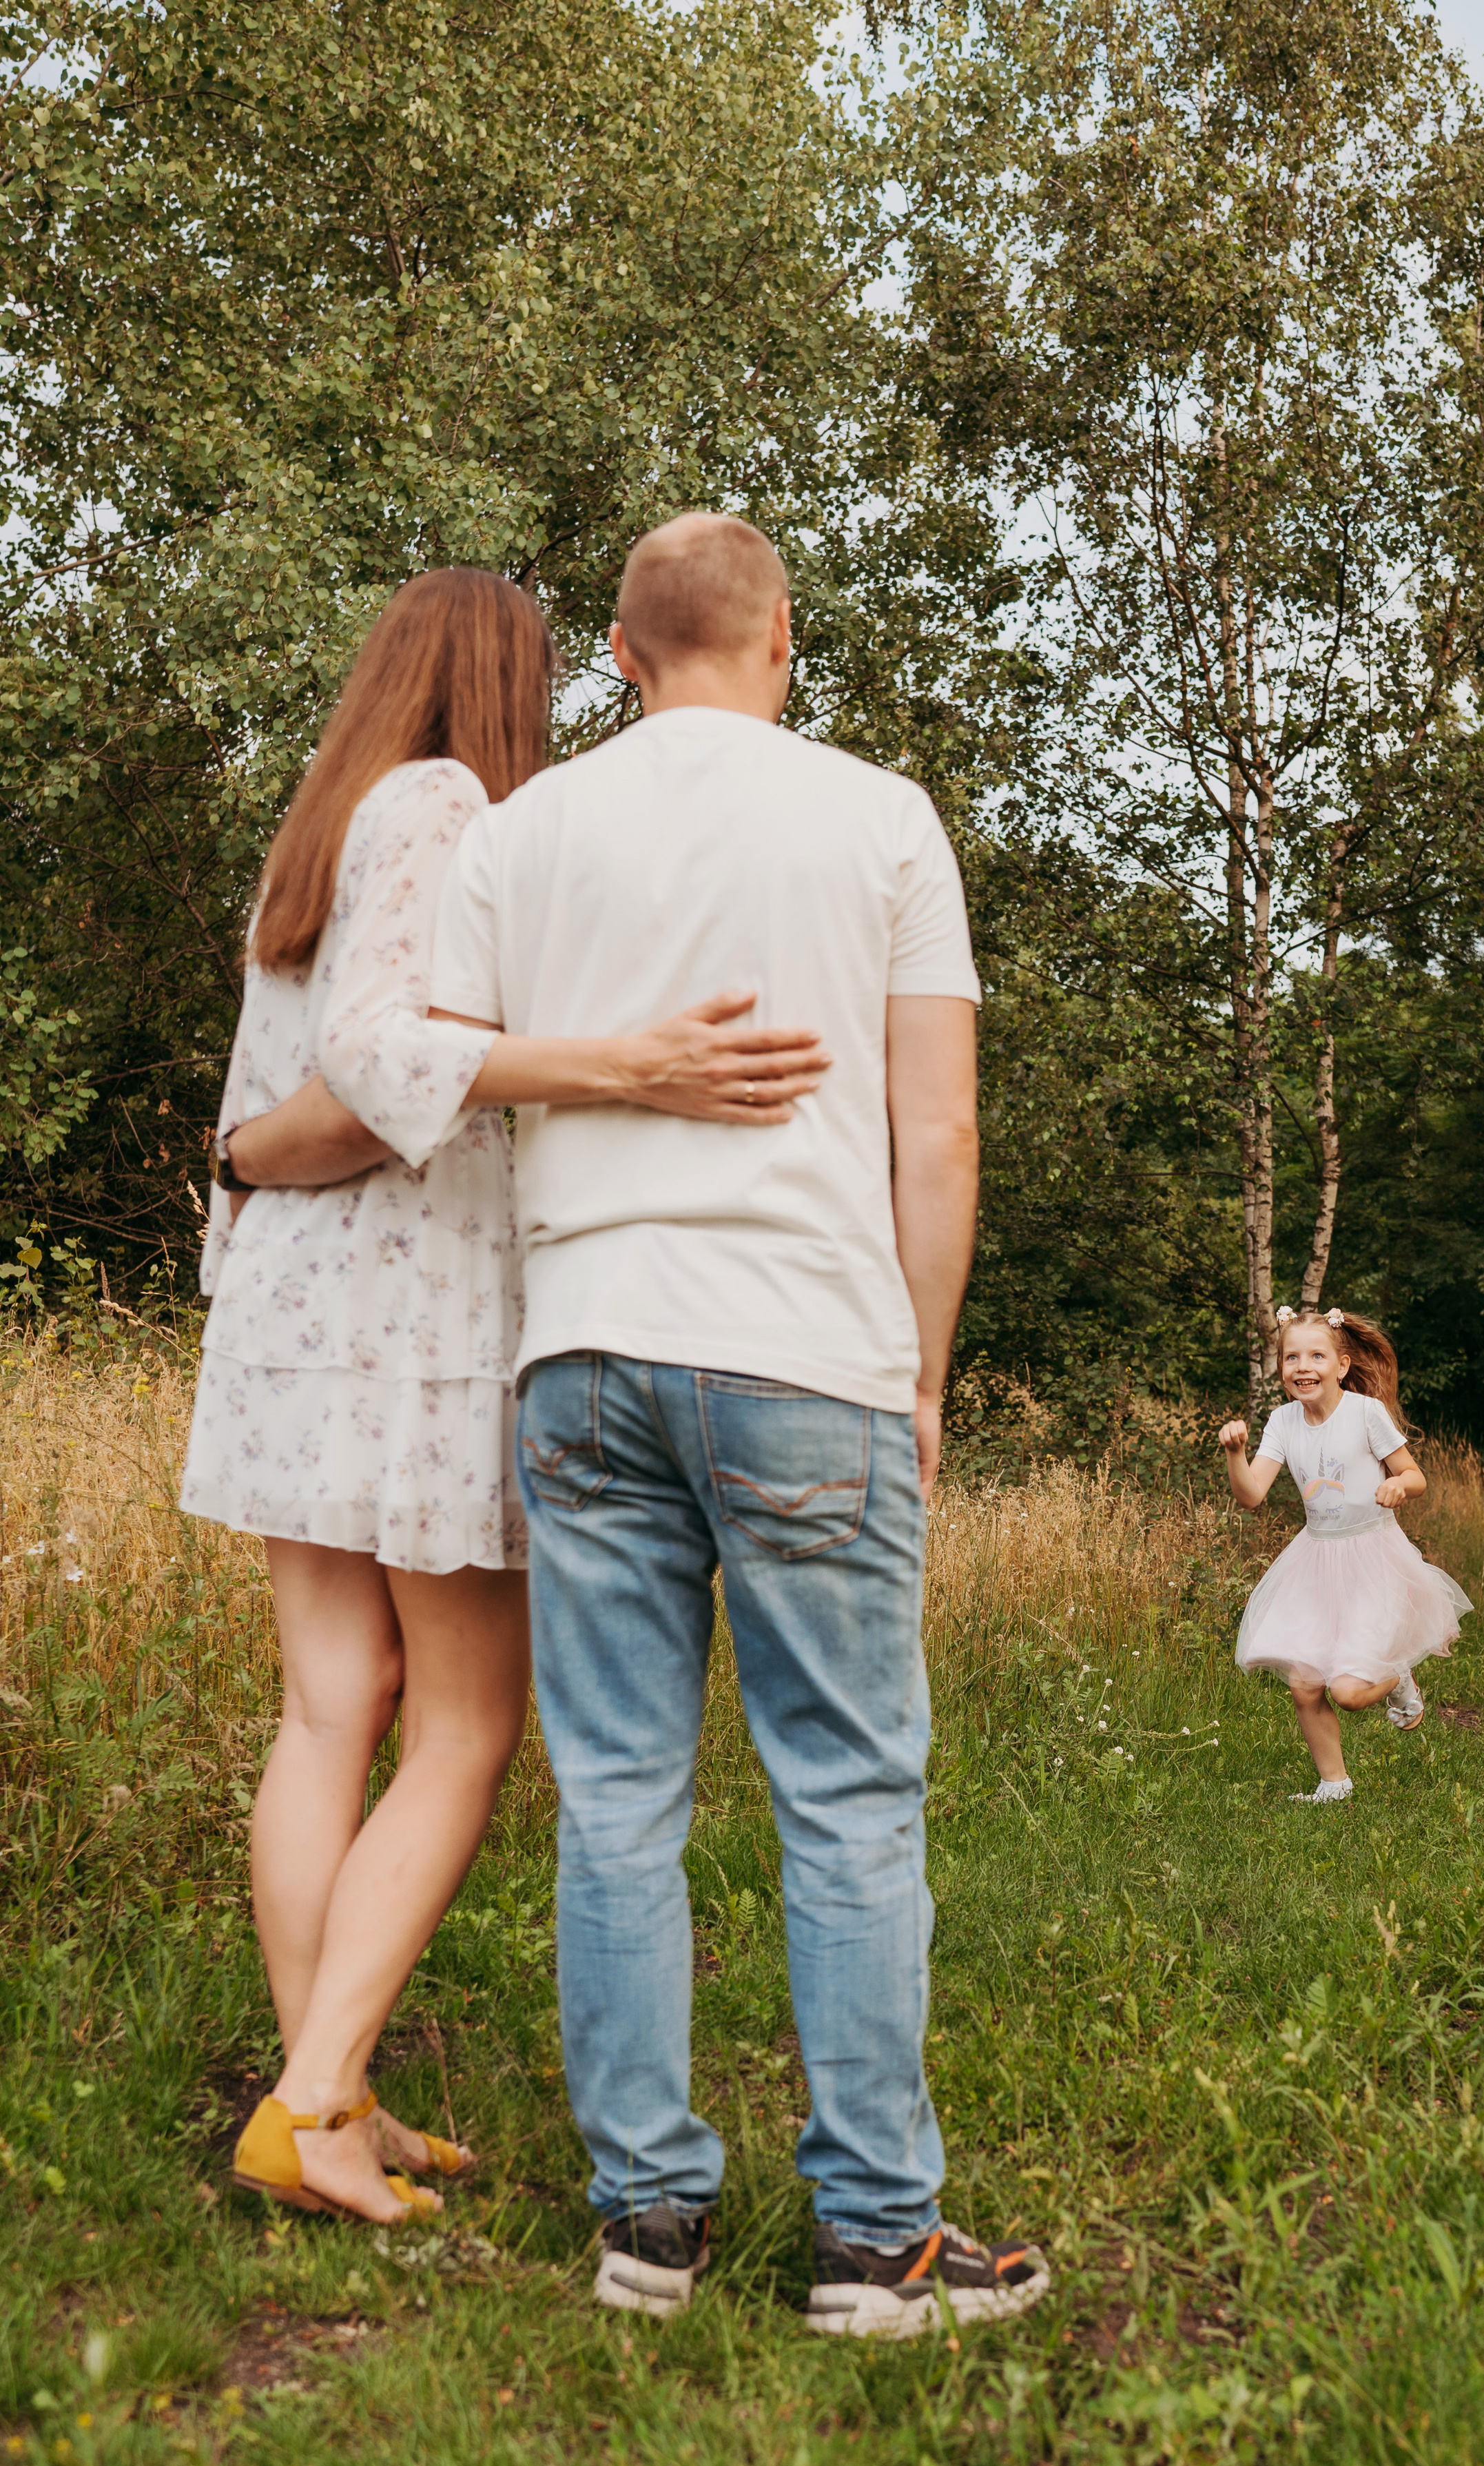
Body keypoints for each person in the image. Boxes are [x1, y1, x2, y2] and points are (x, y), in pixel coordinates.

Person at [420, 510, 1049, 2339]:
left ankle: (647, 2226)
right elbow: (937, 1133)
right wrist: (919, 1372)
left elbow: (438, 1071)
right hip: (803, 1352)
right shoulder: (881, 818)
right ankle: (874, 2243)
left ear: (623, 655)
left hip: (582, 1354)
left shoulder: (519, 831)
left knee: (616, 1795)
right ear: (782, 640)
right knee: (845, 1795)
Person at [185, 566, 829, 2226]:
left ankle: (320, 2094)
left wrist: (239, 1165)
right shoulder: (444, 804)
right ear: (505, 680)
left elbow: (285, 1098)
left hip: (293, 1298)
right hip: (402, 1301)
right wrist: (631, 1065)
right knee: (464, 1720)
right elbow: (380, 1068)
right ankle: (316, 2098)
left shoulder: (320, 828)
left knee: (331, 1706)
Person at [1217, 1305, 1472, 1802]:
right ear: (1280, 1368)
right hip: (1315, 1561)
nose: (1303, 1367)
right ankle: (1334, 1784)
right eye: (1292, 1358)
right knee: (1305, 1685)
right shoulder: (1283, 1422)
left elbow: (1415, 1476)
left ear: (1342, 1365)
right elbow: (1251, 1495)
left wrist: (1399, 1485)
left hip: (1373, 1557)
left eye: (1317, 1356)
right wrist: (1235, 1453)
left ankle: (1397, 1674)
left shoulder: (1365, 1413)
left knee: (1350, 1694)